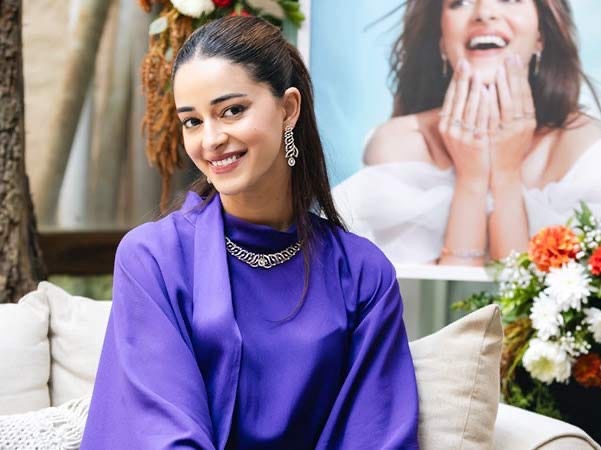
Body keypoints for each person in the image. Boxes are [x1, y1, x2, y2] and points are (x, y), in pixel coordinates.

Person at [80, 16, 419, 450]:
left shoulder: (363, 274)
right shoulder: (153, 259)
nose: (211, 139)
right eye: (192, 121)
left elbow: (377, 434)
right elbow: (161, 435)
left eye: (232, 111)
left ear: (288, 109)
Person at [333, 0, 601, 266]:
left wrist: (506, 175)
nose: (484, 12)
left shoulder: (582, 148)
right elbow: (429, 299)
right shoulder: (400, 145)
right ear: (442, 40)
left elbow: (523, 298)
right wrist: (471, 180)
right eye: (461, 2)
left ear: (540, 36)